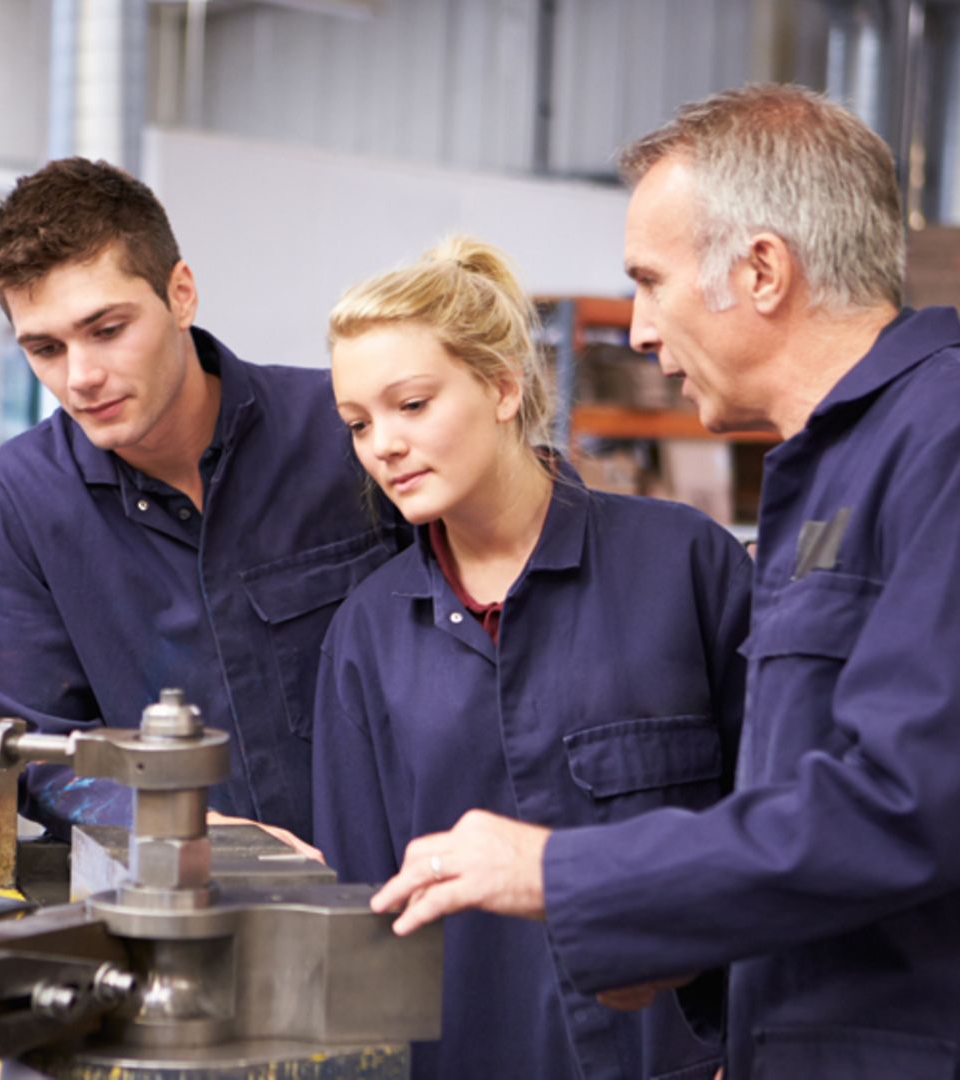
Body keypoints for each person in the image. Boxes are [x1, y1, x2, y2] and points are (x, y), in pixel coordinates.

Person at [367, 85, 960, 1079]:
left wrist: (562, 869)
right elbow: (807, 814)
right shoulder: (838, 471)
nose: (640, 331)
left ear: (763, 270)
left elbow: (908, 808)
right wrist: (682, 941)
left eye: (651, 281)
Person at [314, 236, 752, 1080]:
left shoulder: (686, 569)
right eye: (359, 424)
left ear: (503, 387)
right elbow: (364, 916)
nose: (385, 446)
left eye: (411, 405)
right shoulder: (365, 638)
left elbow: (778, 827)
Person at [0, 158, 402, 850]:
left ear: (182, 294)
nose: (81, 378)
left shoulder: (343, 432)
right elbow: (38, 754)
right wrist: (188, 831)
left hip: (400, 889)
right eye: (45, 348)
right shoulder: (18, 501)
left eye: (107, 329)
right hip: (179, 909)